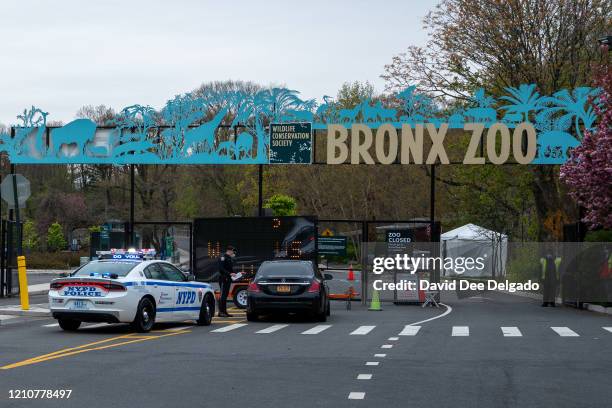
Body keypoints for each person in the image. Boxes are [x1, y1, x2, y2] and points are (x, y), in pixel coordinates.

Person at [218, 245, 237, 317]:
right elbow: (221, 268)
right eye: (233, 251)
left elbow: (230, 269)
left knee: (225, 295)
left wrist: (236, 274)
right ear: (230, 250)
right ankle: (221, 312)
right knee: (222, 295)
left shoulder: (229, 258)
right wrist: (229, 273)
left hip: (228, 279)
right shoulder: (223, 257)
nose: (234, 253)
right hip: (223, 278)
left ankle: (224, 312)